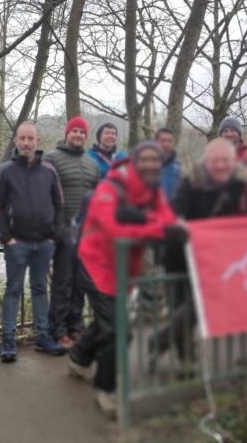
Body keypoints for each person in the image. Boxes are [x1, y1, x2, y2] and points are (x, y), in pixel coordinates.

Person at [69, 141, 180, 414]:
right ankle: (105, 390)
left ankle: (79, 358)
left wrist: (143, 219)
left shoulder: (153, 191)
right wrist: (151, 225)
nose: (151, 164)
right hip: (95, 265)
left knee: (106, 322)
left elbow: (169, 220)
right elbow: (113, 231)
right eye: (146, 159)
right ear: (134, 161)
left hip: (123, 267)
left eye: (156, 160)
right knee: (118, 330)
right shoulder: (110, 188)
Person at [159, 138, 247, 360]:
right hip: (181, 254)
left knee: (198, 306)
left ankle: (159, 342)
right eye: (215, 161)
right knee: (183, 304)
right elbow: (174, 211)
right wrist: (177, 225)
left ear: (233, 161)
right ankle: (184, 356)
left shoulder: (241, 185)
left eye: (226, 161)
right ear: (207, 161)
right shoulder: (190, 181)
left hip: (212, 257)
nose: (221, 166)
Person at [0, 122, 67, 361]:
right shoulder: (6, 170)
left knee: (39, 290)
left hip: (44, 243)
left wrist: (54, 235)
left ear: (38, 141)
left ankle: (43, 337)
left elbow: (59, 204)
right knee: (13, 290)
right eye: (22, 138)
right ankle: (8, 342)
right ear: (16, 140)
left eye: (30, 138)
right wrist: (7, 237)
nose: (26, 143)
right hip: (18, 243)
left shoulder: (49, 170)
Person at [44, 116, 99, 348]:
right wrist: (53, 227)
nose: (78, 135)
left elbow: (97, 199)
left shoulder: (91, 163)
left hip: (86, 232)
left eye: (82, 132)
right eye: (74, 130)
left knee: (81, 282)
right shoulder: (51, 158)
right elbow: (43, 193)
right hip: (63, 229)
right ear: (67, 133)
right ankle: (58, 329)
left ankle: (76, 325)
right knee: (62, 281)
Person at [154, 127, 181, 200]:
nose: (166, 144)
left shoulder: (177, 166)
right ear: (156, 142)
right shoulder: (146, 164)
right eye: (163, 140)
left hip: (170, 209)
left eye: (169, 141)